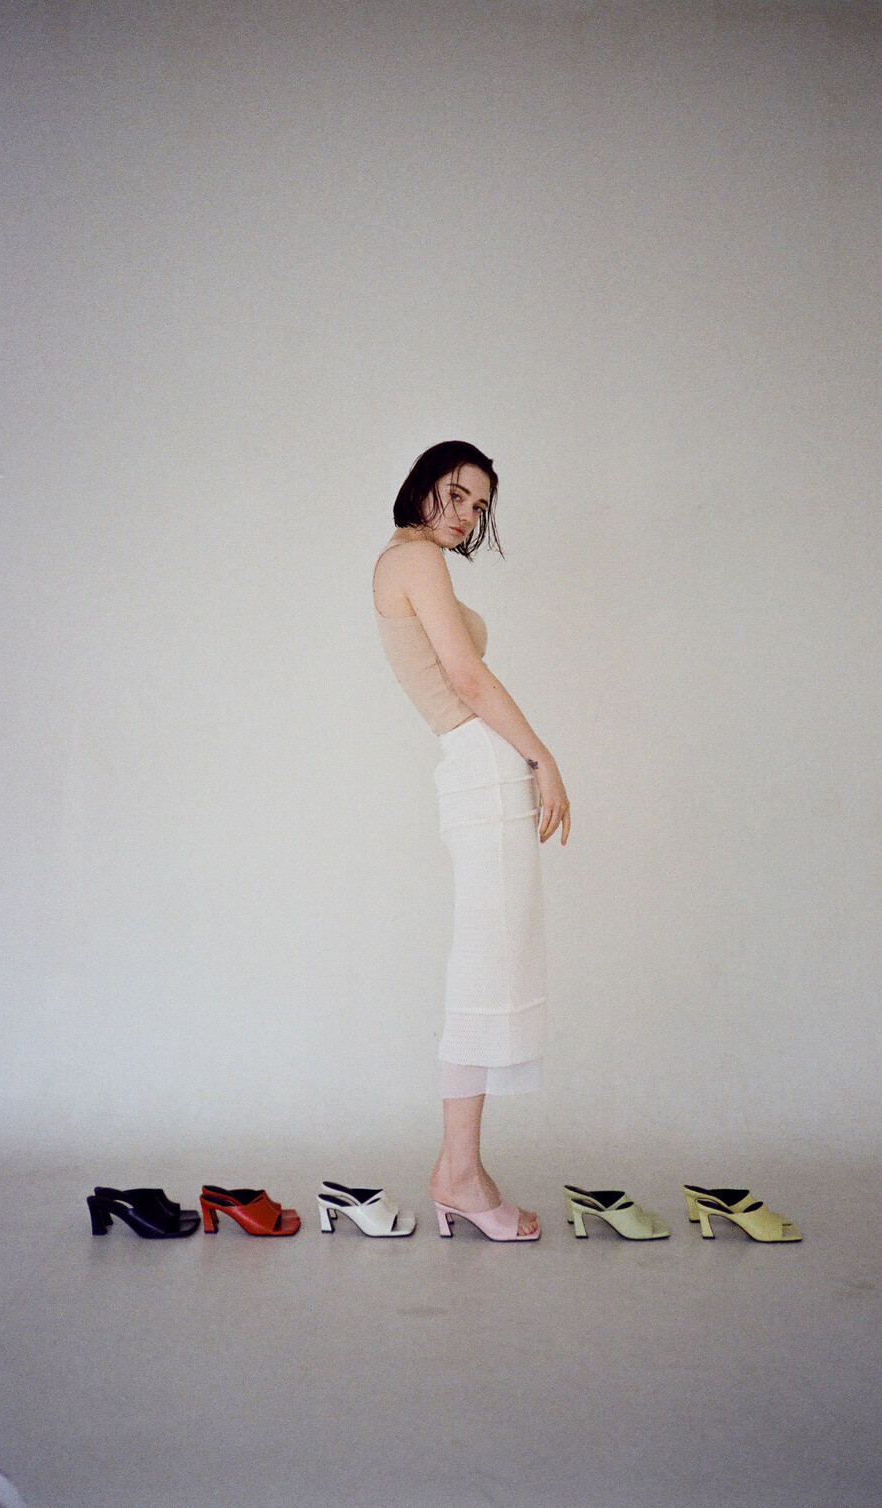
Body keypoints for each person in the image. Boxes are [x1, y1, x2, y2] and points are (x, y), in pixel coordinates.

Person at [373, 441, 570, 1241]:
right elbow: (466, 678)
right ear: (421, 486)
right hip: (481, 768)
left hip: (476, 770)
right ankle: (458, 1173)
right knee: (484, 966)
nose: (466, 515)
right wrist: (542, 756)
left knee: (489, 960)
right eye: (455, 494)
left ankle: (460, 1168)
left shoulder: (406, 561)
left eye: (479, 506)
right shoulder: (414, 560)